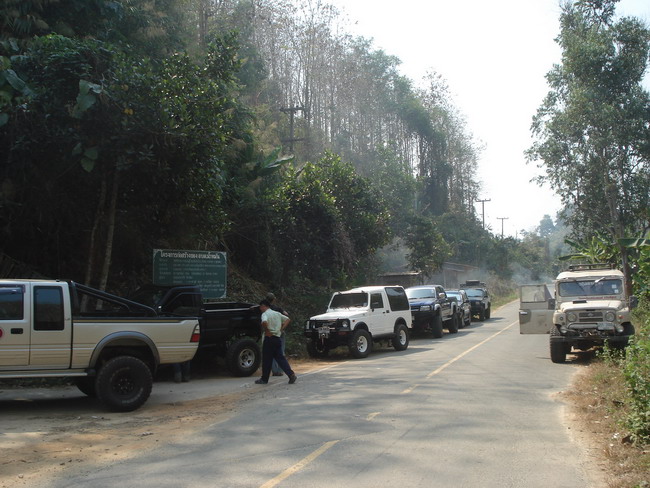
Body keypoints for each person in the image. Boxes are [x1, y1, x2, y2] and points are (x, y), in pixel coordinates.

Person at [255, 299, 297, 385]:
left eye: (260, 307)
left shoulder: (265, 314)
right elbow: (287, 319)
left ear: (263, 306)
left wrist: (267, 330)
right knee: (281, 358)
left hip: (269, 338)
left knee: (267, 360)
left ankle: (264, 379)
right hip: (277, 338)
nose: (260, 309)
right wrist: (281, 329)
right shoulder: (277, 313)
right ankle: (291, 374)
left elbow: (264, 322)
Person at [266, 292, 289, 376]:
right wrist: (282, 328)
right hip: (279, 332)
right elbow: (286, 315)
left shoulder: (265, 310)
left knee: (271, 352)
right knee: (281, 351)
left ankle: (275, 371)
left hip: (270, 332)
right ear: (274, 299)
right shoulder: (277, 309)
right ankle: (280, 370)